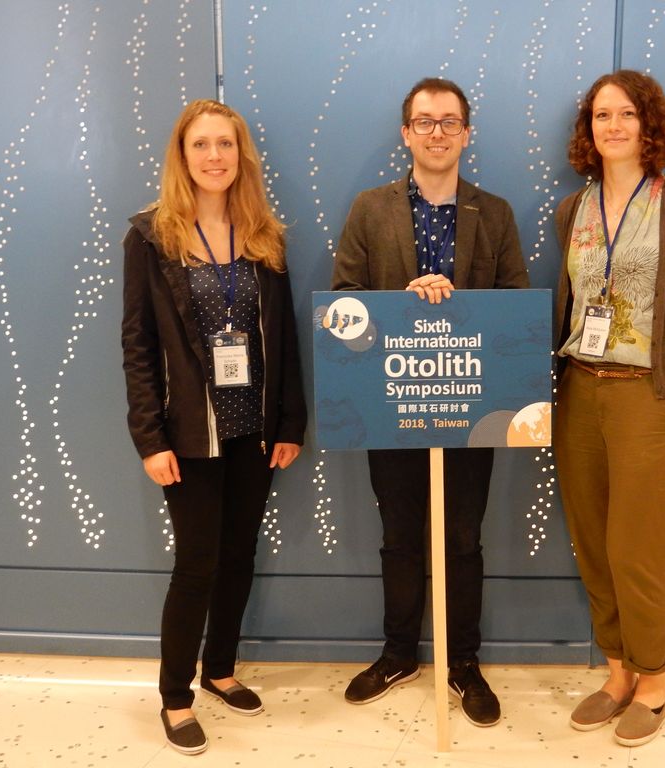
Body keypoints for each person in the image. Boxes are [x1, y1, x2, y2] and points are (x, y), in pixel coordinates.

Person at [331, 77, 529, 727]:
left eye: (449, 122)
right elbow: (344, 304)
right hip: (390, 404)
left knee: (464, 540)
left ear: (467, 134)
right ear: (405, 133)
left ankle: (464, 662)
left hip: (472, 407)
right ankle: (398, 654)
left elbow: (516, 307)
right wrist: (400, 308)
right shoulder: (369, 208)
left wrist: (459, 307)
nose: (437, 133)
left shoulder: (493, 213)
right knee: (399, 537)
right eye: (425, 122)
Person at [121, 99, 306, 755]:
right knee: (197, 563)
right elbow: (138, 345)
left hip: (253, 429)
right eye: (201, 145)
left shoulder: (264, 236)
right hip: (189, 434)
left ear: (241, 155)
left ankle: (220, 668)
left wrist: (290, 421)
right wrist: (151, 439)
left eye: (225, 145)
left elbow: (283, 342)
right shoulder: (151, 236)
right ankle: (176, 698)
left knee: (238, 555)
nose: (214, 157)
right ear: (182, 155)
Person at [552, 70, 665, 746]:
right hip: (578, 387)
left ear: (650, 125)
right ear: (588, 131)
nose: (613, 126)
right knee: (593, 539)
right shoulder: (573, 210)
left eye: (626, 114)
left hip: (651, 393)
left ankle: (655, 682)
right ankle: (618, 670)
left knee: (637, 544)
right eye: (601, 116)